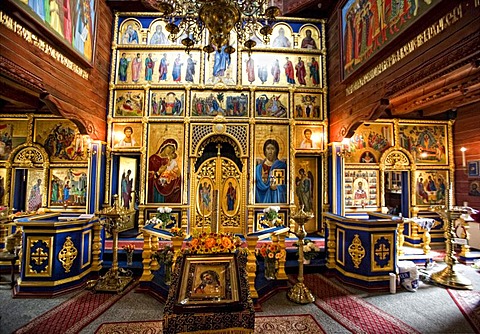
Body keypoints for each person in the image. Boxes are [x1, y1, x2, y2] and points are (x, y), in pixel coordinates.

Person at [148, 139, 181, 203]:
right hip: (155, 188)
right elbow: (147, 176)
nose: (170, 151)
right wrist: (158, 173)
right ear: (164, 146)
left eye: (172, 150)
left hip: (167, 188)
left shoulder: (171, 161)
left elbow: (178, 175)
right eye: (169, 148)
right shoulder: (153, 158)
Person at [255, 139, 287, 203]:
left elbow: (288, 185)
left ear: (276, 150)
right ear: (265, 151)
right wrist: (263, 181)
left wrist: (277, 187)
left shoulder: (282, 166)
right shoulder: (258, 169)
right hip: (262, 205)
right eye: (268, 148)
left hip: (278, 203)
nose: (270, 151)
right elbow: (254, 187)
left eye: (272, 148)